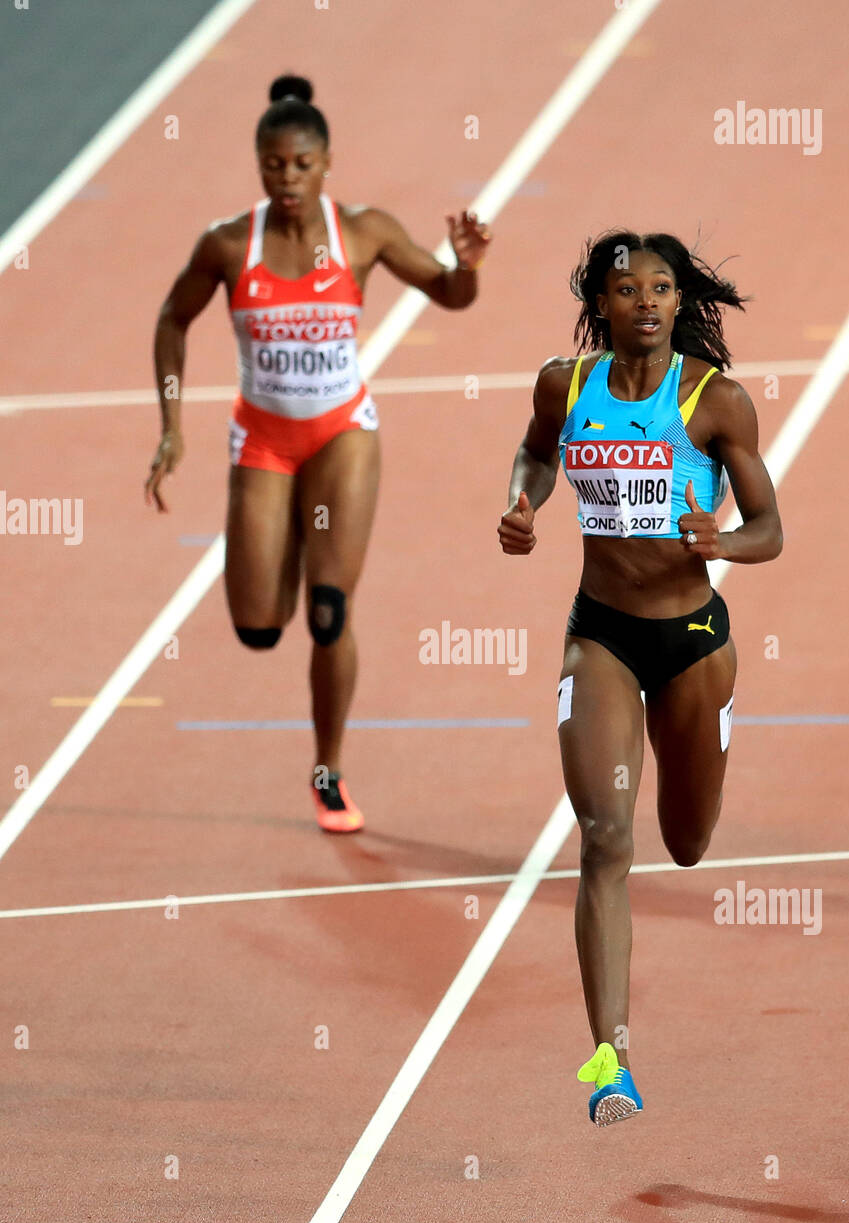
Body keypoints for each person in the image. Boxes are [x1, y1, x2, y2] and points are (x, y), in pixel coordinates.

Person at [148, 74, 491, 831]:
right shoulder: (228, 244)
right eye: (274, 166)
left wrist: (464, 264)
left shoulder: (363, 232)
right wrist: (171, 426)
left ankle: (328, 771)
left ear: (326, 162)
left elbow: (449, 295)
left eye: (302, 165)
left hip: (340, 434)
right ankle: (298, 534)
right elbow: (172, 321)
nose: (289, 179)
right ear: (259, 165)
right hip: (264, 439)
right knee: (259, 627)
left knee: (329, 612)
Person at [498, 231, 782, 1125]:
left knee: (687, 842)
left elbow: (769, 525)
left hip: (692, 640)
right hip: (603, 638)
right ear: (602, 305)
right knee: (603, 838)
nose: (648, 302)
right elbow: (537, 452)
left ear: (676, 300)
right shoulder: (564, 386)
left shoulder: (714, 401)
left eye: (662, 287)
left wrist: (721, 541)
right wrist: (522, 501)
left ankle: (716, 726)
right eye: (628, 290)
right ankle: (610, 1060)